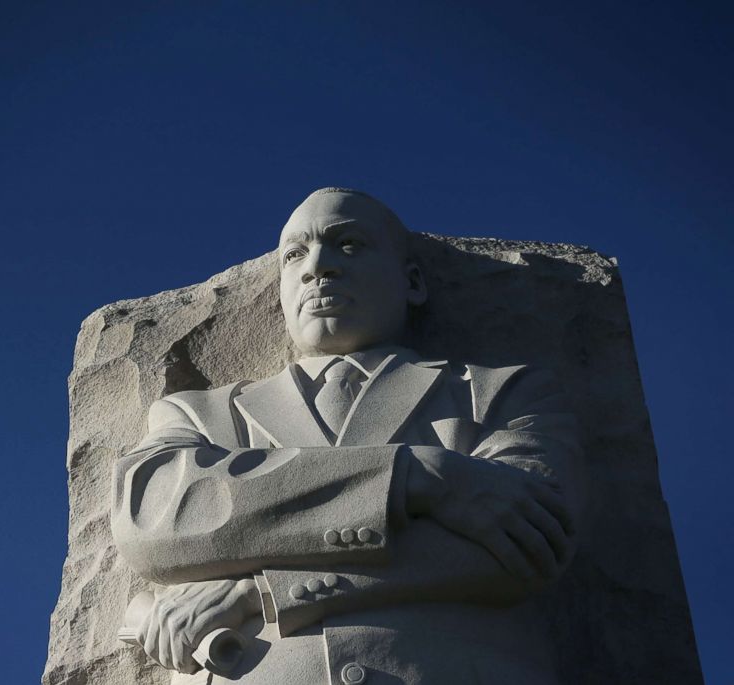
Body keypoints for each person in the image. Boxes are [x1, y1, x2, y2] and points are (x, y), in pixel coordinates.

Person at [111, 188, 585, 684]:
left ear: (413, 282)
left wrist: (262, 591)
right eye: (295, 253)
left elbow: (529, 541)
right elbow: (155, 520)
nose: (318, 267)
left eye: (350, 244)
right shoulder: (200, 414)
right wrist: (416, 475)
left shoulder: (499, 393)